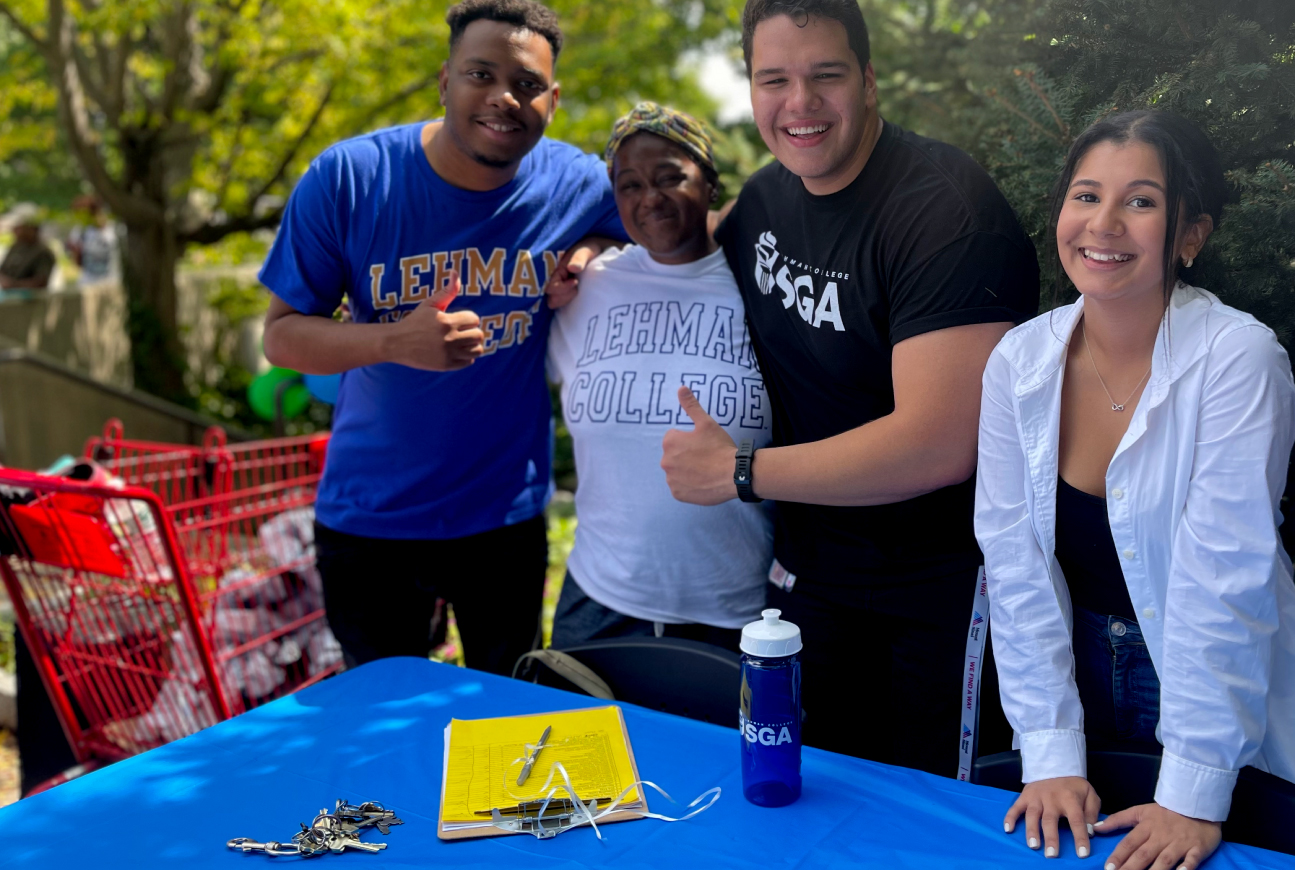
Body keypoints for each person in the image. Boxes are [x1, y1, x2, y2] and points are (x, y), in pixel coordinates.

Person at [654, 0, 1039, 776]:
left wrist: (739, 472)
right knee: (812, 792)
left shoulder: (944, 213)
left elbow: (935, 444)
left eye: (824, 75)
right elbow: (682, 250)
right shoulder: (764, 199)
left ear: (866, 80)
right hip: (808, 576)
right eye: (775, 80)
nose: (799, 104)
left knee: (929, 818)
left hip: (939, 586)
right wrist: (590, 263)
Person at [259, 0, 624, 676]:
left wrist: (593, 246)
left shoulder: (577, 182)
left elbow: (675, 225)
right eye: (479, 75)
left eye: (526, 85)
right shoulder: (348, 179)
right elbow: (281, 338)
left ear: (553, 97)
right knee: (383, 733)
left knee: (505, 724)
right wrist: (392, 341)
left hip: (503, 522)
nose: (502, 99)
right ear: (444, 79)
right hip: (370, 522)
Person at [975, 109, 1295, 869]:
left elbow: (1225, 581)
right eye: (1085, 196)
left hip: (1211, 680)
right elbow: (1013, 563)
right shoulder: (1016, 362)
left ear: (1189, 235)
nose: (1104, 223)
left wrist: (1192, 791)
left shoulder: (1237, 360)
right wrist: (1050, 748)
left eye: (1140, 201)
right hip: (1072, 668)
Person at [547, 103, 772, 652]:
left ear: (711, 184)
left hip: (737, 616)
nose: (650, 198)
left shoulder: (763, 288)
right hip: (597, 605)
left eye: (670, 176)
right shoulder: (587, 286)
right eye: (630, 184)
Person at [0, 206, 56, 291]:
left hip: (29, 302)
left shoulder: (43, 252)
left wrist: (13, 284)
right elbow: (3, 270)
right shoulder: (16, 247)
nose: (14, 231)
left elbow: (40, 283)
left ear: (31, 228)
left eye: (19, 228)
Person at [67, 195, 119, 283]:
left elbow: (113, 248)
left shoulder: (111, 229)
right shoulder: (79, 231)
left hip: (111, 280)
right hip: (89, 280)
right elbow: (77, 261)